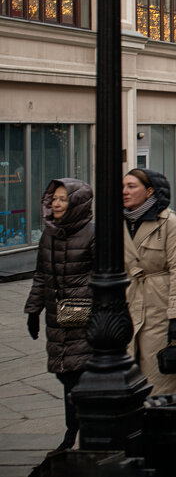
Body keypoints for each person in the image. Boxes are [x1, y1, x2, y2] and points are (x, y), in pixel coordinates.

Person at [25, 178, 94, 451]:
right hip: (57, 315)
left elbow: (104, 276)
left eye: (63, 199)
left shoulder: (92, 232)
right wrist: (33, 309)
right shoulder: (49, 234)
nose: (55, 203)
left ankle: (77, 432)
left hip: (82, 314)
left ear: (76, 203)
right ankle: (73, 429)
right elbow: (41, 274)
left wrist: (84, 304)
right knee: (64, 372)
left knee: (79, 372)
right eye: (54, 198)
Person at [122, 168, 176, 395]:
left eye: (131, 186)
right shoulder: (119, 223)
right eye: (123, 186)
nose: (125, 192)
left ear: (149, 192)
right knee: (132, 366)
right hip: (130, 301)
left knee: (160, 373)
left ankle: (168, 416)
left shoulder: (169, 222)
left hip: (160, 304)